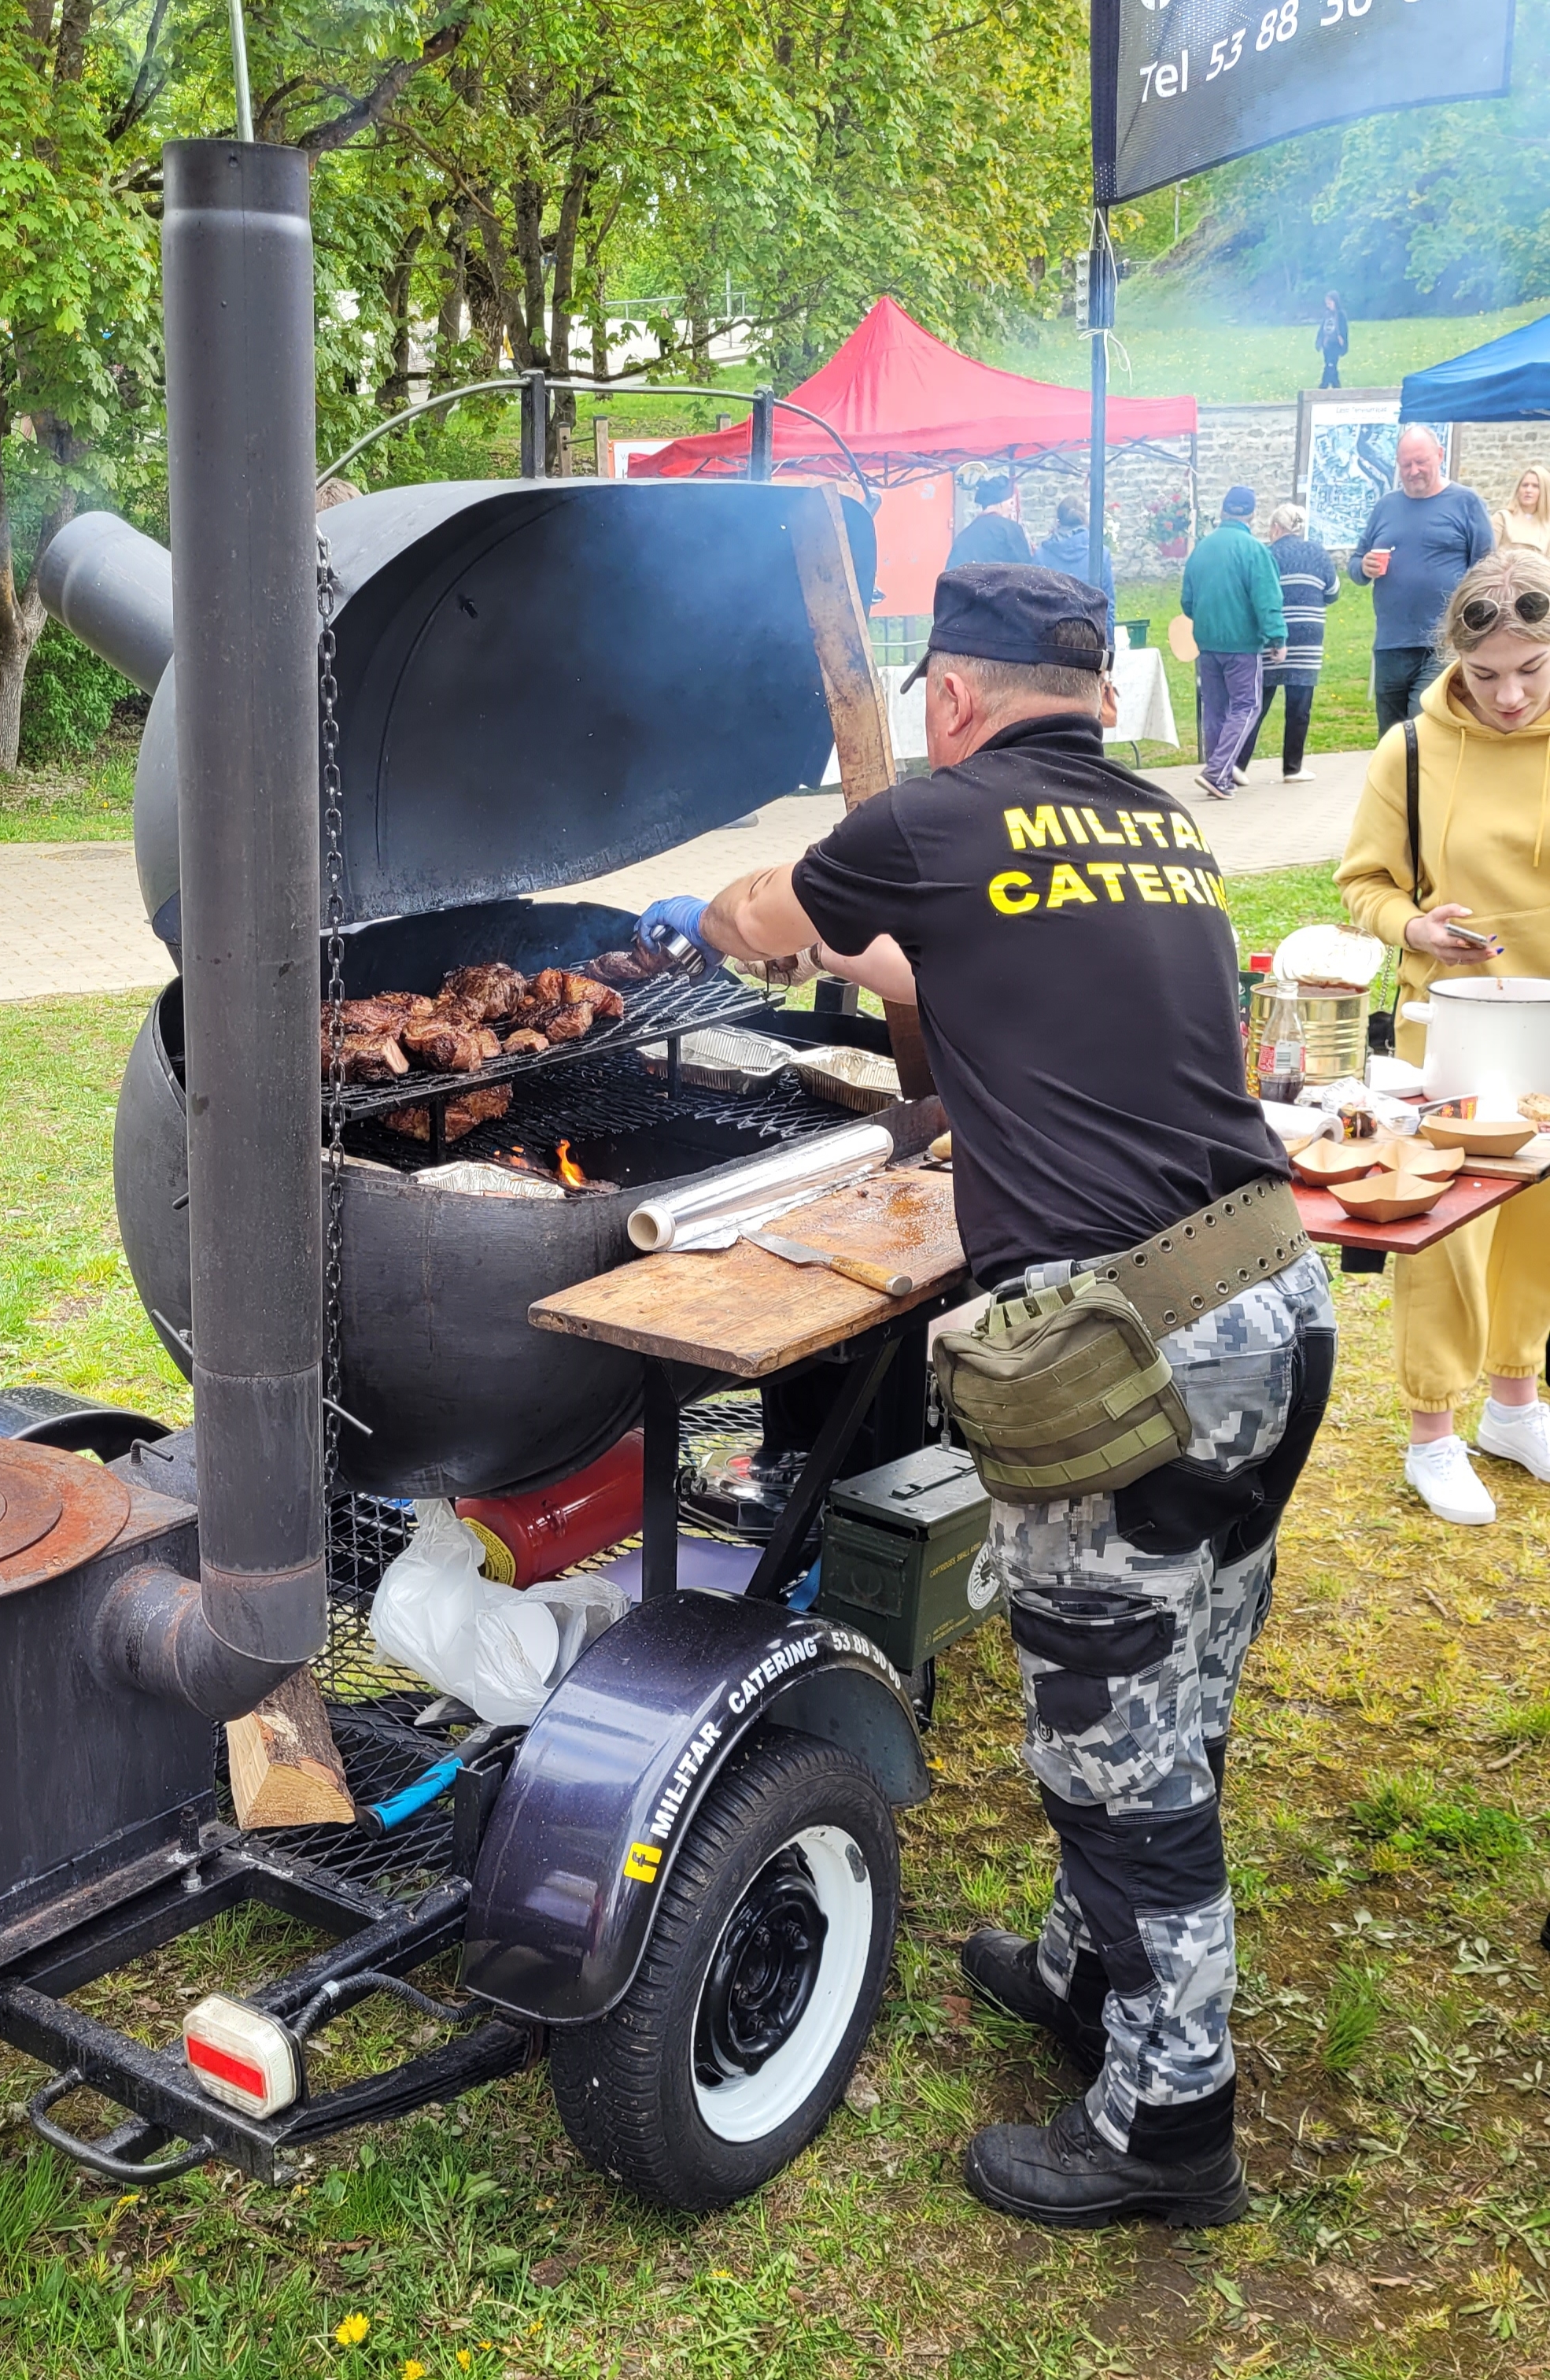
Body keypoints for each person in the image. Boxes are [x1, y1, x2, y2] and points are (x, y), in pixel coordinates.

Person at [638, 565, 1335, 2229]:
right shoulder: (1159, 825)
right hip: (1272, 1304)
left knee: (1116, 1752)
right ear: (1093, 695)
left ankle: (1170, 2122)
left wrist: (700, 918)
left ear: (949, 697)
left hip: (1135, 1348)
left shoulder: (941, 810)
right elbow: (939, 962)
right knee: (1180, 1686)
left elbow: (781, 920)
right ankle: (1093, 1976)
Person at [1337, 546, 1550, 1525]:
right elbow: (1364, 886)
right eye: (1486, 674)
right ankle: (1433, 1431)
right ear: (1454, 664)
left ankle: (1516, 1401)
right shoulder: (1409, 752)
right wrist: (1414, 927)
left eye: (1532, 668)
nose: (1510, 695)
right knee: (1450, 1227)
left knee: (1538, 1226)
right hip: (1454, 1025)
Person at [1351, 428, 1493, 734]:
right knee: (1390, 736)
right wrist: (1364, 566)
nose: (1413, 471)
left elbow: (1486, 571)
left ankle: (1427, 782)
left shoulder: (1466, 503)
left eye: (1421, 462)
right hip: (1391, 643)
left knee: (1422, 723)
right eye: (1405, 465)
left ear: (1439, 456)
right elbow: (1355, 564)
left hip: (1444, 641)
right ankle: (1394, 784)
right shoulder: (1385, 507)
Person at [1180, 486, 1287, 800]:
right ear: (1252, 514)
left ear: (1223, 511)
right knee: (1246, 705)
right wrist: (1276, 636)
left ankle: (1220, 773)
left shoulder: (1201, 550)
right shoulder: (1254, 551)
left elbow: (1187, 601)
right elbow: (1267, 598)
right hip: (1242, 645)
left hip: (1207, 643)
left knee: (1215, 709)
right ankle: (1217, 771)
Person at [1235, 502, 1338, 785]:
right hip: (1308, 638)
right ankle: (1292, 768)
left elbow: (1252, 594)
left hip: (1273, 636)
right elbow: (1333, 592)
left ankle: (1238, 764)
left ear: (1277, 528)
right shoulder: (1318, 552)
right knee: (1299, 706)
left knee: (1259, 703)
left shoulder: (1265, 554)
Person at [1035, 495, 1116, 641]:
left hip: (1053, 642)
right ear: (1085, 520)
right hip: (1093, 639)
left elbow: (1036, 606)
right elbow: (1108, 606)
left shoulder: (1041, 556)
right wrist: (1109, 645)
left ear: (1058, 521)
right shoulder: (1101, 554)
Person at [947, 473, 1031, 568]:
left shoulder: (963, 537)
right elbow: (1027, 570)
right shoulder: (1010, 529)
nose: (1012, 506)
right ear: (1001, 502)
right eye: (1011, 502)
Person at [1492, 464, 1550, 556]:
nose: (1528, 490)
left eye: (1535, 486)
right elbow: (1485, 557)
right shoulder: (1502, 518)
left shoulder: (1547, 525)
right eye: (1525, 485)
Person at [1316, 293, 1349, 390]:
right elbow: (1322, 329)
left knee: (1331, 364)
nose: (1328, 305)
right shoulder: (1327, 315)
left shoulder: (1340, 315)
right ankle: (1336, 385)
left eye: (1330, 303)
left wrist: (1343, 341)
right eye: (1327, 303)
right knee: (1329, 364)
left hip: (1336, 344)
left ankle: (1324, 385)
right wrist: (1319, 342)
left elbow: (1344, 330)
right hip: (1327, 344)